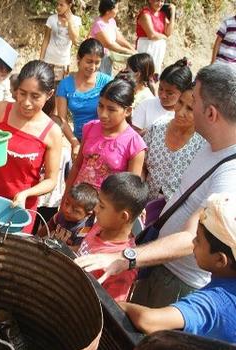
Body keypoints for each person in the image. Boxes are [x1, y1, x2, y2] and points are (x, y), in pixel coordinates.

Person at [76, 63, 236, 307]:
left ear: (211, 114)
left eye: (194, 101)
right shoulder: (211, 143)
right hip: (155, 262)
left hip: (179, 280)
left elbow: (191, 237)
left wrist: (126, 256)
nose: (183, 110)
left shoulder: (230, 174)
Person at [120, 193, 236, 350]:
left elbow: (149, 321)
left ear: (220, 260)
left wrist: (120, 305)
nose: (193, 242)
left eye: (198, 240)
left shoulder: (214, 301)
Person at [0, 60, 63, 233]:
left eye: (35, 97)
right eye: (22, 93)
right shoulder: (2, 110)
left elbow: (51, 180)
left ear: (49, 95)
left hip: (18, 210)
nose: (26, 102)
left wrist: (26, 194)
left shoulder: (52, 132)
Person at [64, 77, 147, 191]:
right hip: (77, 204)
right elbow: (77, 166)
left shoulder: (135, 144)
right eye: (100, 106)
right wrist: (65, 200)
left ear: (127, 111)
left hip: (106, 208)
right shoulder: (90, 128)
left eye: (111, 109)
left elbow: (130, 191)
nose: (103, 114)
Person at [78, 173, 149, 301]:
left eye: (102, 206)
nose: (95, 209)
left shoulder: (122, 267)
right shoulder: (100, 226)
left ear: (123, 216)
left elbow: (110, 310)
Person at [143, 82, 205, 201]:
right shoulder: (157, 128)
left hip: (175, 212)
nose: (181, 112)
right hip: (145, 205)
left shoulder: (202, 145)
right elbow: (142, 164)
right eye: (180, 102)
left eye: (190, 109)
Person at [56, 38, 112, 159]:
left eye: (97, 62)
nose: (92, 67)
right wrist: (74, 142)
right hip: (78, 139)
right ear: (79, 59)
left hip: (104, 140)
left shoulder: (107, 83)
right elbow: (62, 119)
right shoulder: (65, 85)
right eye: (89, 61)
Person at [132, 58, 192, 133]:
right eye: (160, 89)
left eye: (169, 93)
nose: (163, 95)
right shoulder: (146, 105)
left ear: (183, 92)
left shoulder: (186, 117)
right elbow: (133, 135)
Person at [38, 182, 98, 248]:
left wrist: (59, 249)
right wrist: (36, 239)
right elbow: (48, 227)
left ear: (88, 214)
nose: (67, 210)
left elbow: (77, 249)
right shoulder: (60, 215)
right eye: (66, 203)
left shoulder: (84, 229)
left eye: (75, 210)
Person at [89, 0, 136, 75]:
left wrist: (131, 48)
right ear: (108, 11)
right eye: (116, 9)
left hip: (108, 56)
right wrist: (127, 51)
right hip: (98, 57)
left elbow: (119, 38)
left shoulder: (112, 21)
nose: (117, 11)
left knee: (107, 78)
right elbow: (108, 44)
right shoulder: (99, 24)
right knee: (100, 79)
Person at [40, 0, 81, 83]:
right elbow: (46, 39)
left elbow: (75, 40)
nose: (58, 7)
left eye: (61, 5)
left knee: (60, 89)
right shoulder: (51, 19)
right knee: (46, 86)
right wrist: (41, 59)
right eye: (57, 4)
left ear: (69, 5)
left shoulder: (76, 20)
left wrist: (69, 21)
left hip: (63, 62)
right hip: (49, 59)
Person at [135, 0, 175, 75]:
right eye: (157, 1)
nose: (160, 4)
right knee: (142, 72)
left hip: (158, 50)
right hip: (146, 47)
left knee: (154, 74)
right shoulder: (145, 14)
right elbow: (151, 35)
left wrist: (173, 14)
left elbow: (168, 33)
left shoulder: (162, 15)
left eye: (162, 1)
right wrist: (164, 36)